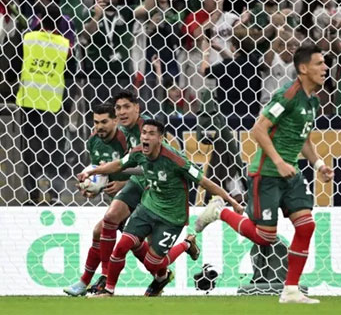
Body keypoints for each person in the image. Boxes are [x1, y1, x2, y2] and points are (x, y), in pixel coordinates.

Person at [195, 44, 335, 304]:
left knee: (306, 225)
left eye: (325, 63)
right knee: (265, 236)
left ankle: (290, 290)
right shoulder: (287, 95)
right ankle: (220, 211)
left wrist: (318, 165)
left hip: (290, 174)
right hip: (267, 173)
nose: (325, 68)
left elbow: (303, 139)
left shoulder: (312, 101)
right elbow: (259, 129)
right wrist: (279, 162)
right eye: (319, 63)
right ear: (303, 68)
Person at [79, 119, 242, 297]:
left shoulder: (176, 160)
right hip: (148, 207)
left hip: (172, 216)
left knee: (153, 263)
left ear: (161, 138)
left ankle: (187, 244)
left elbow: (204, 181)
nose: (145, 137)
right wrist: (92, 171)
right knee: (122, 246)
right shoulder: (138, 152)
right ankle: (108, 290)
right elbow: (118, 164)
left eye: (151, 134)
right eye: (144, 133)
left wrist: (231, 201)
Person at [64, 102, 133, 296]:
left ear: (115, 121)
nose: (99, 126)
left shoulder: (126, 139)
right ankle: (87, 281)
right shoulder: (93, 140)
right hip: (117, 201)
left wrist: (123, 184)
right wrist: (92, 188)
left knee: (139, 247)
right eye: (96, 122)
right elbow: (100, 174)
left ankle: (98, 279)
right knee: (100, 233)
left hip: (137, 197)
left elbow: (144, 169)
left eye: (104, 122)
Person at [16, 7, 70, 205]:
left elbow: (16, 63)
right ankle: (55, 194)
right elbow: (70, 73)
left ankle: (32, 194)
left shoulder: (28, 38)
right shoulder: (64, 44)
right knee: (54, 150)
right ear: (59, 24)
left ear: (39, 20)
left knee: (29, 149)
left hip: (28, 100)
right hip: (52, 103)